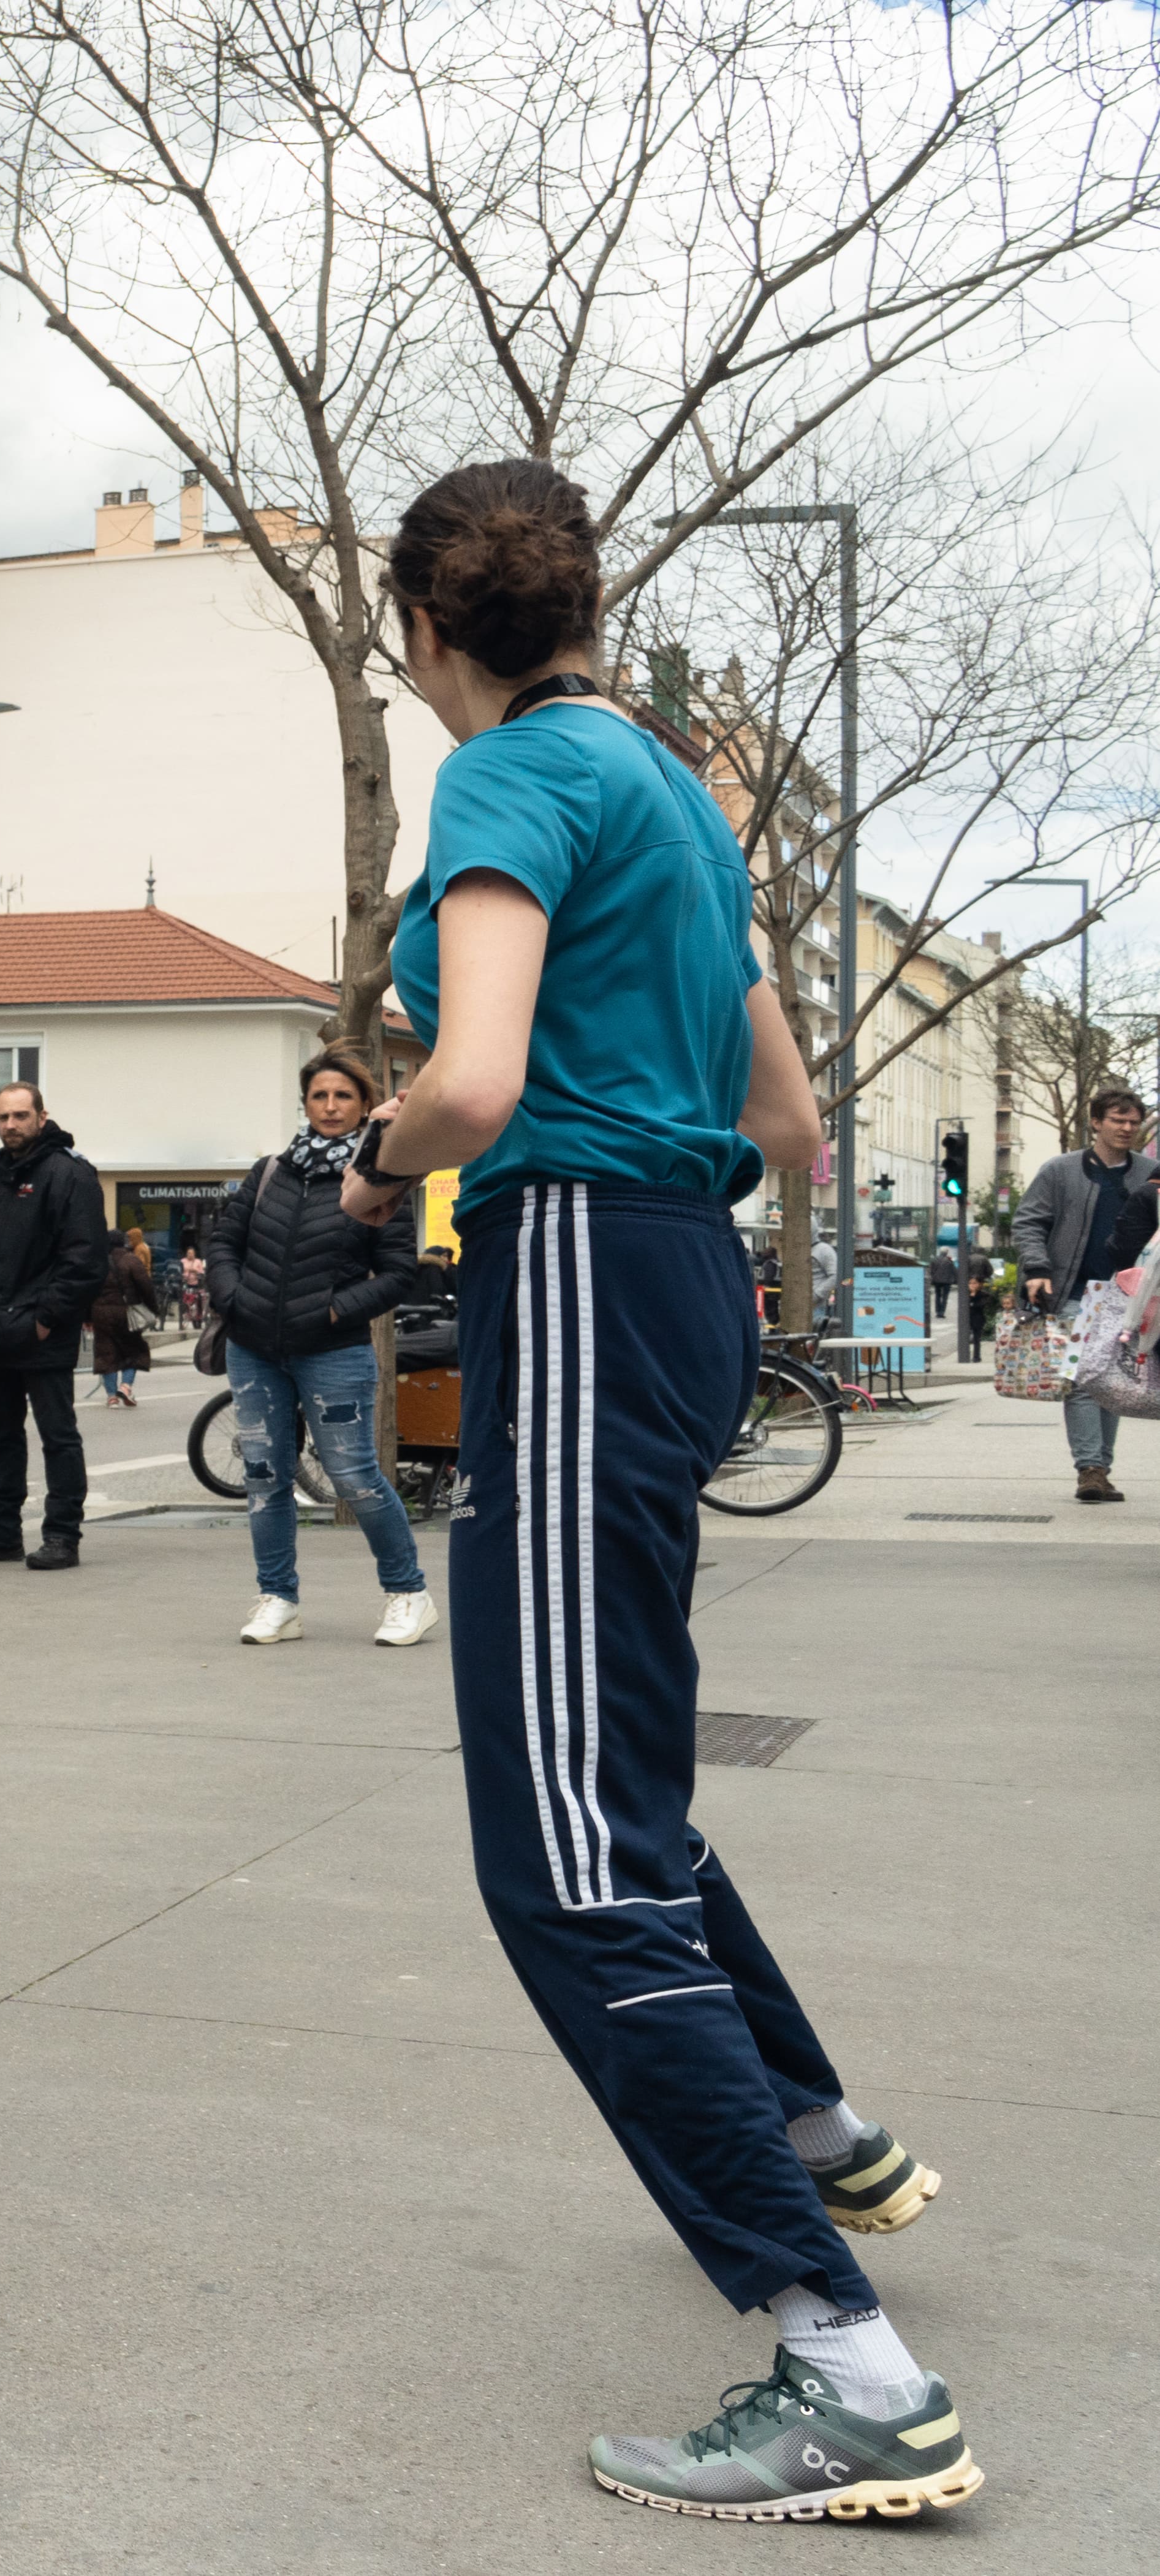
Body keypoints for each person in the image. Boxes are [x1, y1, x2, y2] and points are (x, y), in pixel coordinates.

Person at [357, 458, 971, 2521]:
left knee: (556, 1845)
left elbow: (465, 1082)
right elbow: (784, 1118)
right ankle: (807, 2129)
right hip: (686, 1278)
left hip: (574, 1271)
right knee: (611, 1764)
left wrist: (355, 1169)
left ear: (416, 630)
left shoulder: (504, 777)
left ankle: (843, 2367)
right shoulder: (682, 803)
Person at [205, 1049, 433, 1649]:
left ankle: (408, 1592)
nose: (329, 1107)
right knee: (264, 1477)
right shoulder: (269, 1171)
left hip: (333, 1349)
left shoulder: (378, 1177)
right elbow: (224, 1242)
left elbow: (396, 1272)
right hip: (254, 1347)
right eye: (318, 1096)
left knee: (354, 1476)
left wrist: (333, 1310)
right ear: (304, 1103)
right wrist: (233, 1298)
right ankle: (277, 1598)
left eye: (342, 1097)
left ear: (362, 1106)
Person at [0, 1084, 107, 1571]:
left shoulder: (70, 1174)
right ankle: (1, 1532)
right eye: (3, 1117)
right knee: (1, 1435)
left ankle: (61, 1536)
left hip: (41, 1333)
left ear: (41, 1116)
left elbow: (85, 1262)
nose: (11, 1125)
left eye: (20, 1115)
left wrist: (44, 1321)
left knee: (59, 1437)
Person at [1007, 1086, 1154, 1505]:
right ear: (1096, 1122)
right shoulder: (1060, 1170)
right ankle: (1091, 1467)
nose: (1127, 1128)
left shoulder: (1150, 1171)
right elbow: (1030, 1222)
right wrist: (1036, 1268)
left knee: (1113, 1382)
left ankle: (1099, 1468)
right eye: (1118, 1120)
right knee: (1085, 1379)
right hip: (1076, 1292)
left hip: (1131, 1298)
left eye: (1133, 1121)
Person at [88, 1225, 161, 1405]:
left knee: (106, 1353)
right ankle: (126, 1387)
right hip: (126, 1313)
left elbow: (86, 1290)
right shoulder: (131, 1260)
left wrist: (86, 1317)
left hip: (100, 1314)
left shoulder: (97, 1262)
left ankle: (112, 1397)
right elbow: (146, 1287)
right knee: (134, 1350)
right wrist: (154, 1309)